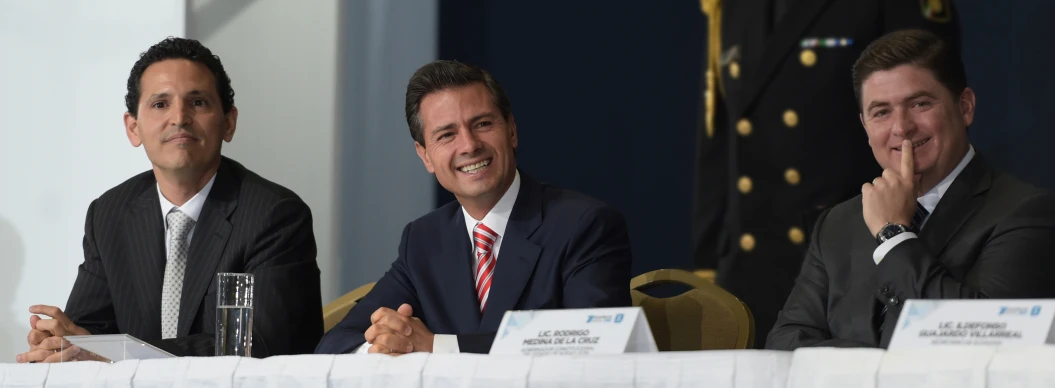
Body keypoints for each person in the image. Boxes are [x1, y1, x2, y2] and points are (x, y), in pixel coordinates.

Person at [15, 37, 323, 362]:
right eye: (160, 104)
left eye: (199, 103)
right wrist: (63, 342)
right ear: (133, 128)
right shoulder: (109, 214)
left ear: (229, 122)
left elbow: (262, 343)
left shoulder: (274, 215)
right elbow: (89, 332)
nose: (179, 117)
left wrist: (119, 354)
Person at [315, 60, 632, 355]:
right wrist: (385, 344)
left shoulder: (584, 224)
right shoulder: (423, 239)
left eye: (482, 124)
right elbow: (338, 343)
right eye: (447, 134)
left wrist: (438, 347)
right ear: (425, 155)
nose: (468, 145)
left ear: (511, 130)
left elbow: (593, 345)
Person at [693, 0, 962, 347]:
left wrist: (890, 230)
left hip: (856, 256)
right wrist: (708, 257)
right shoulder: (732, 6)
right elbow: (719, 137)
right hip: (750, 262)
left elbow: (920, 120)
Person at [766, 29, 1055, 350]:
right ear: (865, 126)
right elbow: (786, 342)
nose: (901, 127)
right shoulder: (838, 223)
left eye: (919, 104)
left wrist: (893, 236)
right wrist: (868, 369)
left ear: (965, 107)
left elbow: (980, 339)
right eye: (882, 112)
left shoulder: (1025, 213)